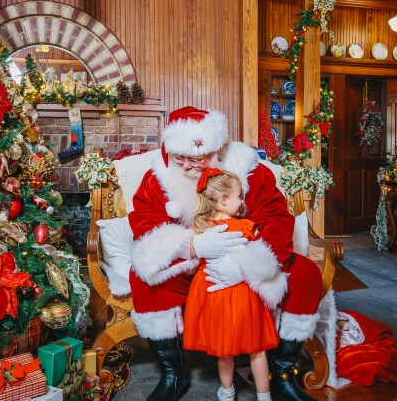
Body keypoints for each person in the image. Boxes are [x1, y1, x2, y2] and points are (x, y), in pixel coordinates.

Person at [128, 106, 322, 401]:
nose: (191, 166)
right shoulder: (159, 177)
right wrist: (192, 247)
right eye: (182, 158)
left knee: (306, 274)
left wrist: (246, 267)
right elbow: (145, 226)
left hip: (241, 261)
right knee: (142, 279)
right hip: (191, 270)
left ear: (217, 149)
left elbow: (277, 218)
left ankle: (280, 373)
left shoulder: (248, 169)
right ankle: (173, 374)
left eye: (200, 158)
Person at [183, 168, 287, 401]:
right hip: (242, 294)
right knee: (257, 349)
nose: (242, 201)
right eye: (239, 196)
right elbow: (258, 255)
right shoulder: (245, 227)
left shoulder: (200, 227)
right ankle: (264, 396)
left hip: (212, 292)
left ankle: (227, 393)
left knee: (224, 350)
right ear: (223, 200)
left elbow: (189, 256)